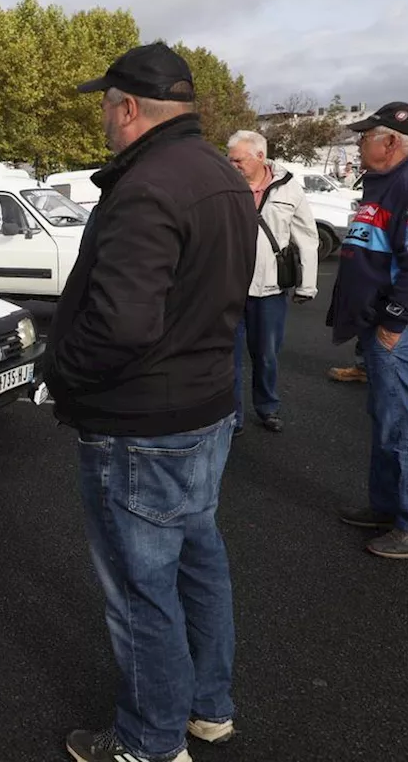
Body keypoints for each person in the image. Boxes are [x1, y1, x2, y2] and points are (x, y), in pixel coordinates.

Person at [43, 42, 256, 762]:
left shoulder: (146, 185)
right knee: (200, 559)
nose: (103, 117)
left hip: (141, 425)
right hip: (204, 410)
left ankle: (151, 741)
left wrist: (61, 374)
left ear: (129, 108)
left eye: (106, 104)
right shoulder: (221, 174)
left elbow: (121, 323)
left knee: (142, 591)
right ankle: (208, 707)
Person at [330, 102, 408, 559]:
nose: (358, 142)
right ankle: (391, 506)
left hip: (405, 328)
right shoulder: (390, 181)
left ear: (390, 142)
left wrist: (393, 325)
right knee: (389, 421)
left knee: (406, 426)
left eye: (365, 135)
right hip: (385, 323)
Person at [226, 130, 319, 434]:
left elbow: (306, 237)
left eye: (238, 159)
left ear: (260, 157)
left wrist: (308, 284)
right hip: (228, 289)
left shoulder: (289, 187)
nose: (232, 164)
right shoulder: (223, 184)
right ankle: (233, 416)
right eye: (230, 158)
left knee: (266, 355)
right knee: (228, 358)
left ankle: (267, 407)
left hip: (269, 290)